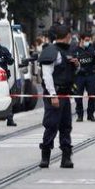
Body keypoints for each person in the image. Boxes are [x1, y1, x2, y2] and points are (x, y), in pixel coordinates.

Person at [38, 24, 79, 169]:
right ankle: (45, 157)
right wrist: (53, 95)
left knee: (66, 126)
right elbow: (47, 75)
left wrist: (76, 64)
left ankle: (66, 157)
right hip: (55, 94)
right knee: (51, 125)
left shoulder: (68, 51)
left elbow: (70, 72)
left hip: (66, 94)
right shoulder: (51, 51)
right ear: (67, 36)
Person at [72, 33, 95, 122]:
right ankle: (80, 115)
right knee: (78, 96)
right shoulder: (75, 50)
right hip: (79, 77)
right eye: (86, 40)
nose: (88, 42)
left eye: (89, 40)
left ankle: (90, 114)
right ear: (81, 40)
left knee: (92, 96)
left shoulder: (91, 49)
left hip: (90, 76)